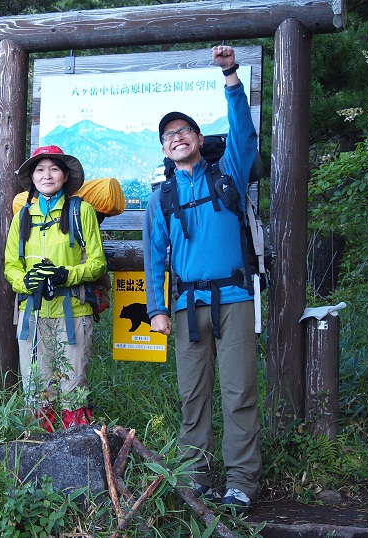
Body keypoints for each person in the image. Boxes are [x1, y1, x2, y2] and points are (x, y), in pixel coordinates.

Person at [142, 45, 261, 513]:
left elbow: (244, 134)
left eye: (184, 131)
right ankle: (196, 479)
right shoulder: (162, 198)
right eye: (168, 136)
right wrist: (156, 308)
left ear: (196, 137)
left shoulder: (226, 172)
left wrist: (230, 75)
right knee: (192, 397)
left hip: (233, 298)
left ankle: (241, 482)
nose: (177, 138)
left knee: (238, 393)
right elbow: (154, 257)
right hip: (188, 309)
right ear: (164, 149)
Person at [4, 146, 107, 431]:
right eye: (39, 169)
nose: (46, 175)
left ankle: (75, 455)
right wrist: (24, 281)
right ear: (32, 178)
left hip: (73, 311)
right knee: (37, 389)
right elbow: (11, 264)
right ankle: (42, 459)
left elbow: (98, 263)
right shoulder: (22, 217)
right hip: (32, 313)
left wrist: (67, 275)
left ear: (64, 175)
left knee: (73, 387)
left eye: (53, 169)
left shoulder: (80, 211)